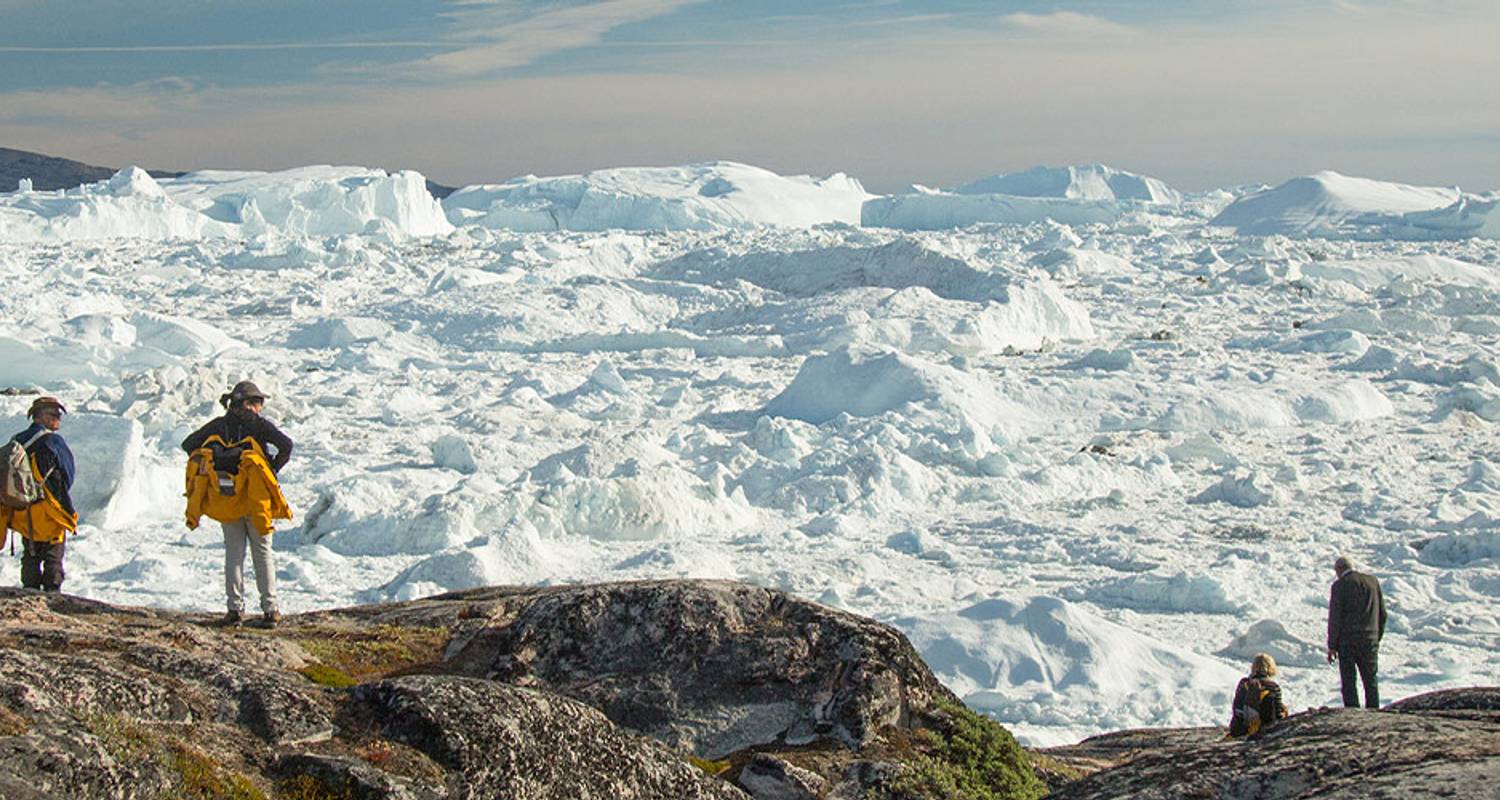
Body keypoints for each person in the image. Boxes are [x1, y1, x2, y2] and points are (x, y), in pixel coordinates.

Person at [182, 381, 293, 627]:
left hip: (227, 498)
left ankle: (234, 610)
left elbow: (189, 445)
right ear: (246, 403)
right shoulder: (259, 426)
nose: (259, 408)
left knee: (234, 553)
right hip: (256, 498)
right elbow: (287, 446)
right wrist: (271, 467)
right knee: (262, 551)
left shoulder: (220, 426)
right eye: (257, 402)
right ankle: (270, 609)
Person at [4, 396, 78, 591]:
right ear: (38, 417)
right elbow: (68, 473)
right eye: (53, 414)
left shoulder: (16, 441)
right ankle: (52, 598)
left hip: (23, 510)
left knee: (30, 553)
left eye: (58, 414)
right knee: (53, 554)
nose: (58, 418)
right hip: (49, 510)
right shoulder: (53, 441)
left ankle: (29, 591)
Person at [1326, 555, 1386, 709]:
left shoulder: (1339, 586)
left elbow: (1335, 618)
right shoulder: (1372, 582)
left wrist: (1332, 645)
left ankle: (1353, 714)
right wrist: (1376, 637)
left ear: (1339, 570)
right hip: (1370, 640)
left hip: (1348, 641)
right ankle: (1375, 713)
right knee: (1371, 681)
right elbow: (1382, 613)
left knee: (1349, 682)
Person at [1227, 653, 1288, 737]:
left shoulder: (1244, 683)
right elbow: (1276, 715)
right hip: (1263, 730)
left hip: (1239, 730)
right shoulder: (1272, 687)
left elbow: (1237, 708)